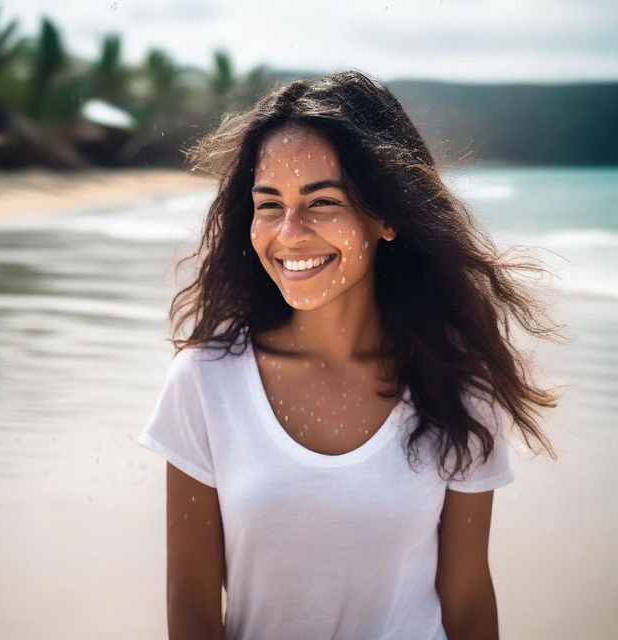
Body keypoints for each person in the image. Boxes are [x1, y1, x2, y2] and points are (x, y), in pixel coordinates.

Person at [138, 70, 562, 640]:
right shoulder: (204, 383)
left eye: (323, 201)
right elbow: (190, 608)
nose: (290, 233)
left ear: (386, 216)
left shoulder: (460, 387)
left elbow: (464, 598)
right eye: (269, 205)